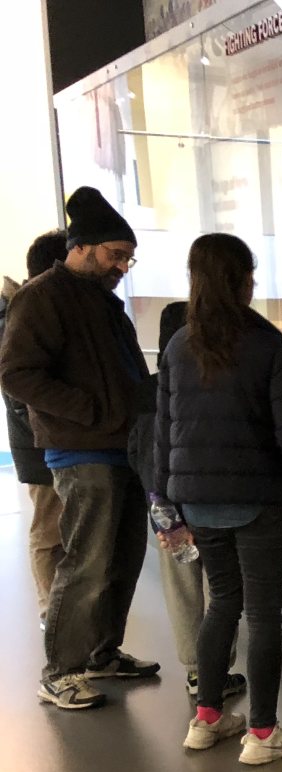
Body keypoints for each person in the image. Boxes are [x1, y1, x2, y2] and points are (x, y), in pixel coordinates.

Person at [155, 233, 282, 764]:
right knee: (264, 614)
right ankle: (263, 734)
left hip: (197, 500)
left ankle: (206, 720)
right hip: (258, 500)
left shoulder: (178, 347)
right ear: (245, 280)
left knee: (222, 602)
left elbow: (164, 432)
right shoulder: (269, 346)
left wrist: (168, 497)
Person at [0, 188, 160, 710]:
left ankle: (100, 654)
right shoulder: (42, 297)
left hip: (123, 448)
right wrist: (90, 411)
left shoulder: (103, 302)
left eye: (128, 257)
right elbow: (16, 374)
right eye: (116, 254)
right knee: (86, 562)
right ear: (83, 247)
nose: (123, 266)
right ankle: (61, 672)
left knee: (123, 559)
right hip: (81, 450)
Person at [126, 300, 246, 702]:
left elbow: (139, 454)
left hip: (164, 508)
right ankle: (216, 671)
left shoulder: (147, 390)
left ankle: (197, 671)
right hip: (208, 503)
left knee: (182, 589)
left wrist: (161, 515)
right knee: (221, 588)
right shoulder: (210, 383)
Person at [1, 230, 69, 622]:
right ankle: (50, 612)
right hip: (40, 444)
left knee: (60, 530)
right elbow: (19, 392)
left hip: (53, 441)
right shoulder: (20, 314)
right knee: (48, 530)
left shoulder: (32, 308)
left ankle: (63, 609)